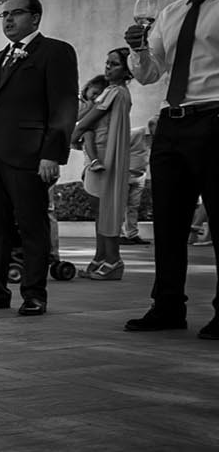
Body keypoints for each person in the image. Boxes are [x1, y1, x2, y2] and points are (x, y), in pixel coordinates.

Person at [122, 0, 219, 338]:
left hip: (215, 120)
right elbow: (149, 75)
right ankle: (167, 307)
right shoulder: (171, 12)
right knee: (167, 223)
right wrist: (138, 49)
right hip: (172, 124)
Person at [0, 0, 79, 317]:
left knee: (32, 226)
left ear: (36, 18)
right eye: (3, 16)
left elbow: (64, 106)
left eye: (15, 14)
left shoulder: (56, 52)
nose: (8, 20)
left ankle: (34, 293)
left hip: (30, 156)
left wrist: (52, 154)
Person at [74, 50, 133, 280]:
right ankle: (101, 257)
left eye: (115, 64)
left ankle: (113, 260)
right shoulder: (111, 91)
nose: (108, 67)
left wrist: (71, 137)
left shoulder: (115, 92)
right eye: (107, 63)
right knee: (99, 210)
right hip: (98, 156)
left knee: (106, 208)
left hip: (106, 158)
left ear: (127, 71)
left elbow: (84, 123)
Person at [121, 116, 156, 245]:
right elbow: (118, 146)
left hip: (140, 175)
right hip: (125, 174)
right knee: (120, 206)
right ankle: (118, 235)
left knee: (133, 207)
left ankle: (132, 234)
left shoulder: (157, 140)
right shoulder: (136, 133)